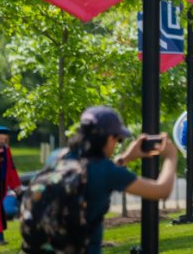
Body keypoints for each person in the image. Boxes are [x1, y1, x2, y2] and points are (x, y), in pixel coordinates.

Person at [73, 106, 177, 253]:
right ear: (109, 138)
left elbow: (94, 172)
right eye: (119, 139)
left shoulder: (59, 159)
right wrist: (170, 157)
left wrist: (126, 158)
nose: (117, 143)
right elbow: (161, 190)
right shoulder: (106, 171)